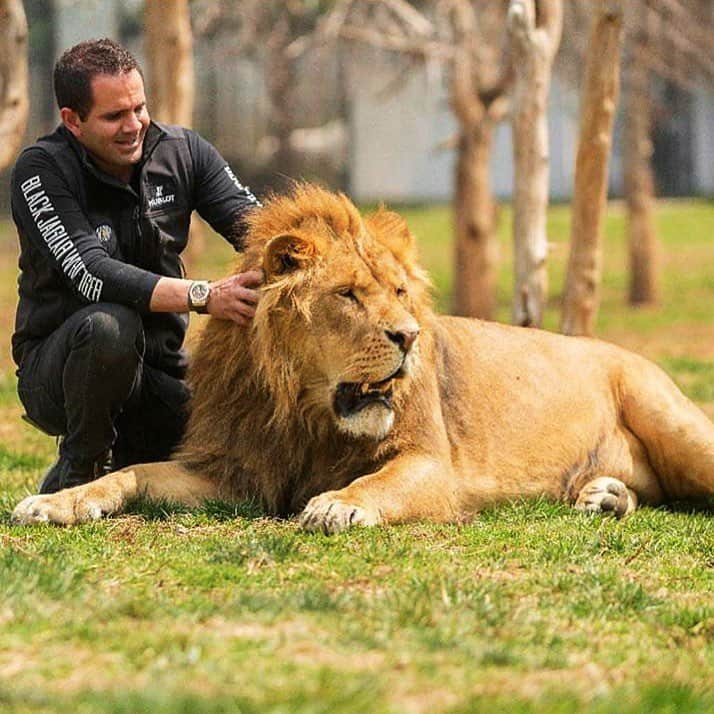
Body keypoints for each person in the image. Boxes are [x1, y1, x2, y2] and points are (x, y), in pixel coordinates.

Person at [11, 38, 263, 494]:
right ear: (72, 120)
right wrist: (205, 296)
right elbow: (91, 271)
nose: (134, 126)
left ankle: (123, 454)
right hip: (62, 371)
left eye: (139, 109)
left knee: (225, 456)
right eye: (114, 117)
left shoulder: (184, 153)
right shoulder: (41, 170)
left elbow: (258, 228)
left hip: (161, 371)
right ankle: (80, 470)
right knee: (111, 325)